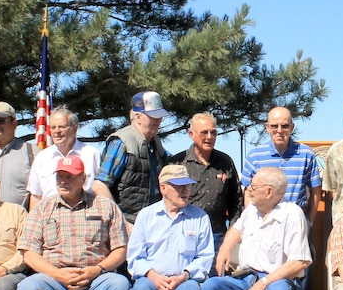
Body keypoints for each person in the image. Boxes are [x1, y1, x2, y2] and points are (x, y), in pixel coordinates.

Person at [15, 156, 130, 290]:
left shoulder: (105, 206)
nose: (63, 181)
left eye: (69, 176)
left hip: (95, 277)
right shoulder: (43, 208)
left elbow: (120, 250)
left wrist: (98, 269)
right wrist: (56, 274)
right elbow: (28, 252)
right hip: (53, 277)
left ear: (83, 179)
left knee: (119, 285)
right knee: (27, 288)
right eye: (60, 176)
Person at [167, 112, 243, 251]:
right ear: (191, 134)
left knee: (218, 273)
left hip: (217, 236)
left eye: (213, 132)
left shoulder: (225, 162)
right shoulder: (178, 163)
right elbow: (167, 200)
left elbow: (236, 202)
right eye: (204, 132)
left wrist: (232, 234)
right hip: (184, 234)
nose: (209, 137)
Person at [93, 90, 170, 223]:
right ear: (138, 117)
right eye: (153, 116)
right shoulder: (121, 142)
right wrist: (120, 223)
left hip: (152, 224)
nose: (158, 120)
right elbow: (99, 185)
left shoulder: (156, 144)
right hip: (127, 225)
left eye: (160, 116)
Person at [240, 106, 322, 230]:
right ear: (267, 127)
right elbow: (247, 193)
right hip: (264, 223)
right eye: (274, 126)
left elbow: (316, 192)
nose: (279, 130)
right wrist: (253, 221)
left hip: (296, 224)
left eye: (284, 126)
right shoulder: (255, 155)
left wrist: (308, 223)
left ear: (292, 127)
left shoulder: (306, 154)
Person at [27, 107, 100, 209]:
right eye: (53, 127)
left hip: (85, 215)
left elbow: (101, 189)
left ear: (74, 129)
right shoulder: (42, 158)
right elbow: (36, 196)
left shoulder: (92, 154)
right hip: (49, 217)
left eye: (61, 127)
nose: (57, 131)